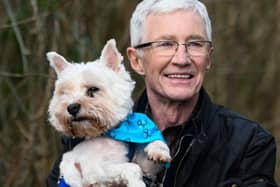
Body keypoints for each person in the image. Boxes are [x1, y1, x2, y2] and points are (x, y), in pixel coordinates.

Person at [47, 0, 278, 186]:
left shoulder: (249, 144)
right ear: (136, 61)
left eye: (195, 44)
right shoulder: (81, 138)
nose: (181, 59)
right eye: (165, 44)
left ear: (209, 58)